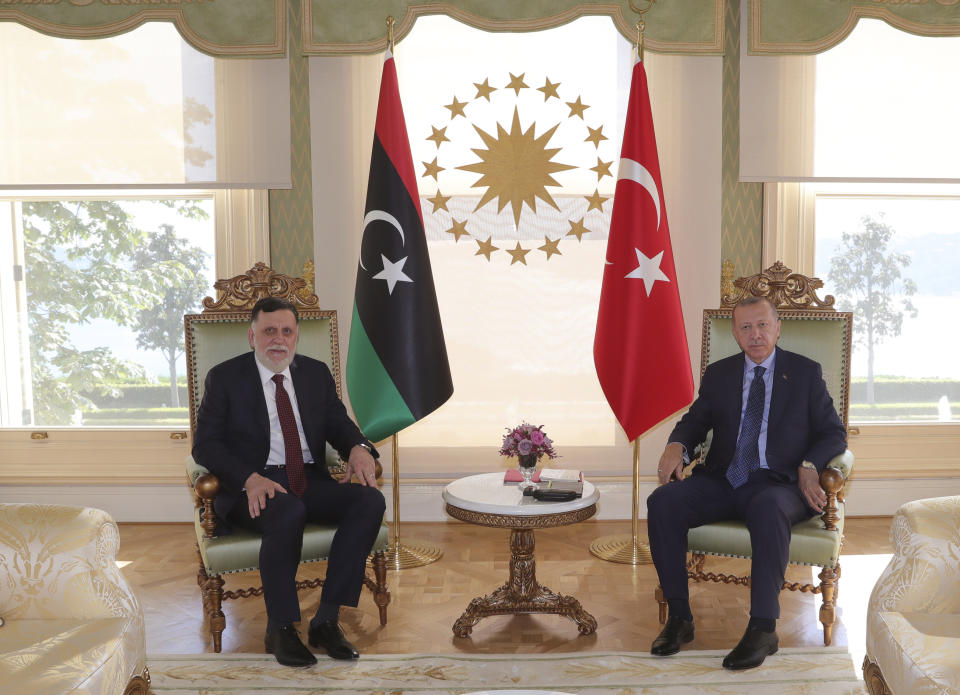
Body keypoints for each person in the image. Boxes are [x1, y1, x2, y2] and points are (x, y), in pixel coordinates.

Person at [646, 296, 847, 670]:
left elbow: (833, 433)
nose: (755, 335)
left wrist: (809, 464)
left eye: (762, 325)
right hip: (724, 479)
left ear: (777, 327)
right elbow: (695, 422)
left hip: (780, 485)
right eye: (745, 327)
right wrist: (677, 445)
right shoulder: (720, 374)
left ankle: (763, 627)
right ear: (736, 333)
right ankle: (679, 617)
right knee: (663, 502)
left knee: (767, 507)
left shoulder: (804, 373)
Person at [193, 297, 386, 667]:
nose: (277, 339)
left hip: (306, 479)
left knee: (369, 502)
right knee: (287, 511)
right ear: (252, 336)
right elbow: (205, 445)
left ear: (296, 337)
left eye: (286, 331)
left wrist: (360, 448)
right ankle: (280, 628)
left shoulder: (314, 374)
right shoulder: (225, 377)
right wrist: (249, 478)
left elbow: (338, 424)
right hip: (250, 486)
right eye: (268, 331)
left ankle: (326, 620)